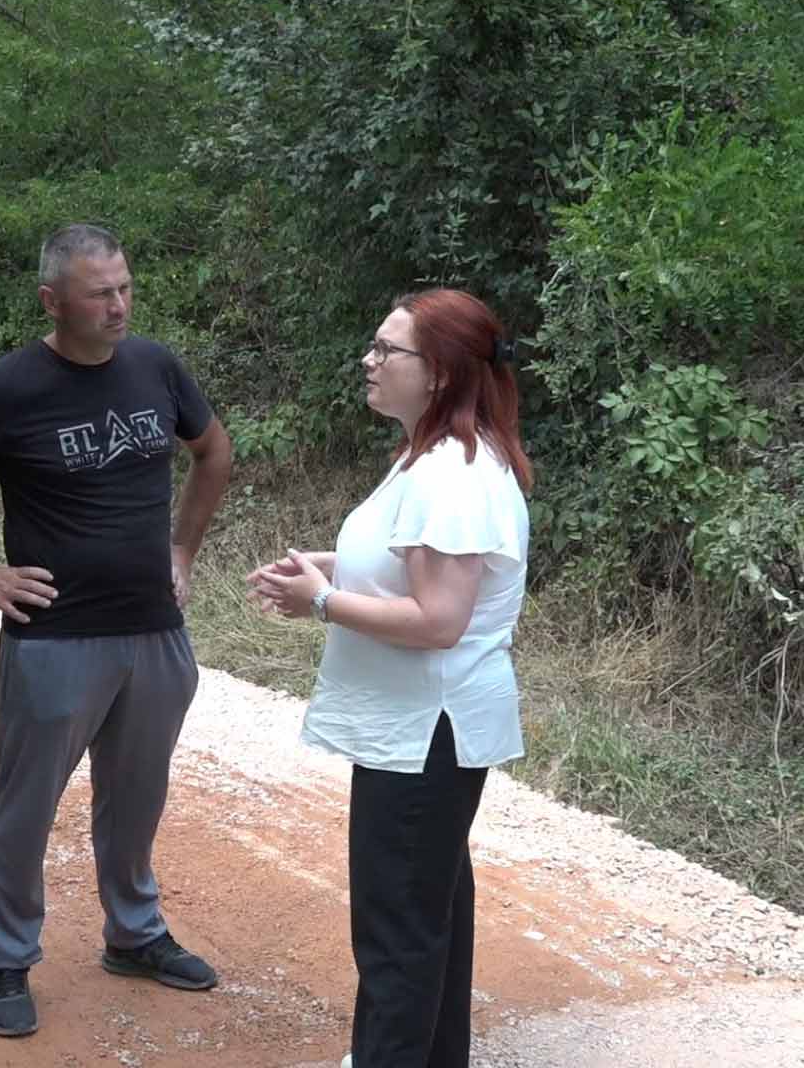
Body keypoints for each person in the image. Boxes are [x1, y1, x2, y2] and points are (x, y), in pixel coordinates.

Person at [0, 224, 234, 1038]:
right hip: (54, 637)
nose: (119, 306)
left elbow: (214, 452)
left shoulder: (156, 366)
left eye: (125, 288)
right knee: (25, 806)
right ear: (52, 301)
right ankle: (6, 958)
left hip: (154, 628)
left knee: (136, 798)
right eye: (99, 294)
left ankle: (134, 935)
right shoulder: (7, 387)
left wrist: (182, 549)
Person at [247, 288, 531, 1068]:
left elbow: (439, 618)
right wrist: (329, 570)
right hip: (424, 732)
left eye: (386, 349)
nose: (369, 360)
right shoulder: (433, 456)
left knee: (398, 935)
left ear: (438, 371)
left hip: (424, 734)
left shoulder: (452, 474)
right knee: (426, 917)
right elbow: (412, 566)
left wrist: (322, 601)